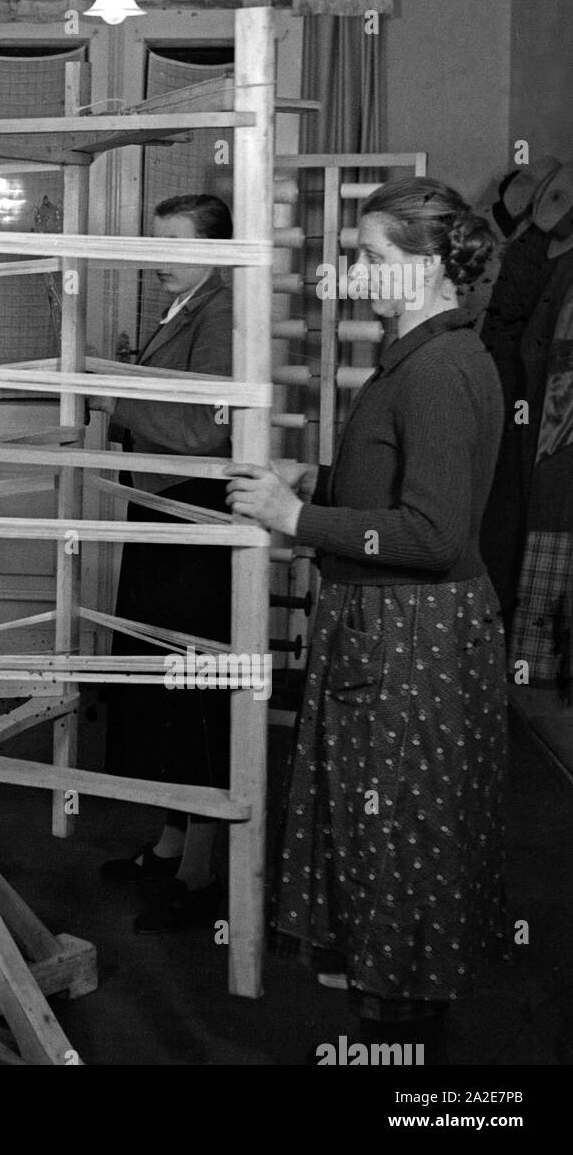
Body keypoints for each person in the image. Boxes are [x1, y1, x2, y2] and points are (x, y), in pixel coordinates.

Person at [226, 177, 508, 1060]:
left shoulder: (440, 369)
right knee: (391, 845)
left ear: (428, 267)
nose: (354, 271)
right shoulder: (422, 358)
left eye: (373, 258)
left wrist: (294, 519)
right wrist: (320, 488)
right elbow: (402, 498)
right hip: (396, 632)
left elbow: (433, 534)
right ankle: (402, 1045)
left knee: (401, 851)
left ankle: (413, 1070)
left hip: (412, 641)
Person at [89, 194, 234, 932]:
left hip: (194, 523)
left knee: (194, 694)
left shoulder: (220, 313)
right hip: (162, 515)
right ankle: (171, 844)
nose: (157, 256)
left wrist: (112, 388)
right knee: (162, 692)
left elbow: (202, 432)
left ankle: (202, 876)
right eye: (156, 241)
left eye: (172, 243)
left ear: (214, 250)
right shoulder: (183, 308)